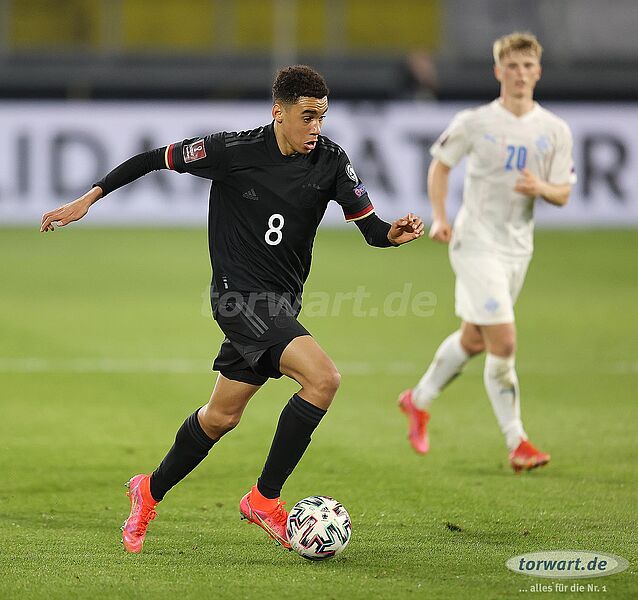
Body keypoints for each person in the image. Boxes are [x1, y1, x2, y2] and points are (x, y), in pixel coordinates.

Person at [41, 65, 424, 553]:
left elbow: (372, 230)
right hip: (238, 298)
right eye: (307, 117)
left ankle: (148, 490)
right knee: (323, 379)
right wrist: (88, 199)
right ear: (279, 112)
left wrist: (393, 234)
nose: (316, 127)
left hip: (280, 303)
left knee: (220, 417)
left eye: (322, 117)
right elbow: (153, 158)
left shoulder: (330, 160)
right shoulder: (232, 151)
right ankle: (264, 498)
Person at [398, 32, 575, 472]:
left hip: (518, 248)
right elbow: (440, 166)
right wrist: (440, 217)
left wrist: (541, 187)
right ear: (499, 71)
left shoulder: (554, 130)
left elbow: (563, 193)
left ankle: (417, 400)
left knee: (475, 338)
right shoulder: (475, 122)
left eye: (527, 66)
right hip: (475, 242)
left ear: (538, 71)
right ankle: (518, 442)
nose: (520, 74)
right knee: (505, 340)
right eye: (512, 66)